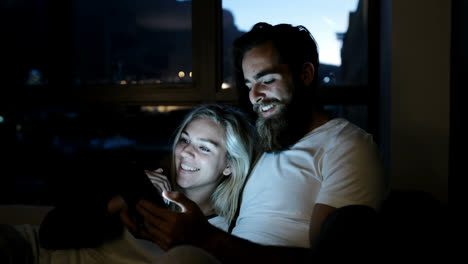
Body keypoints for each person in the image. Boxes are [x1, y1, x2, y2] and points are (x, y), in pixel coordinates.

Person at [119, 22, 388, 263]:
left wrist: (206, 239)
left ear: (305, 74)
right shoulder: (265, 139)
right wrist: (147, 189)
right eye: (248, 84)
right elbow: (193, 157)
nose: (254, 95)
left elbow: (326, 262)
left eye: (267, 80)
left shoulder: (346, 146)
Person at [1, 104, 255, 264]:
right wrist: (122, 199)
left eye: (203, 147)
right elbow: (51, 233)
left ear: (229, 165)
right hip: (28, 250)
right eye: (185, 140)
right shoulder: (139, 181)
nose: (186, 152)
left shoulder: (219, 232)